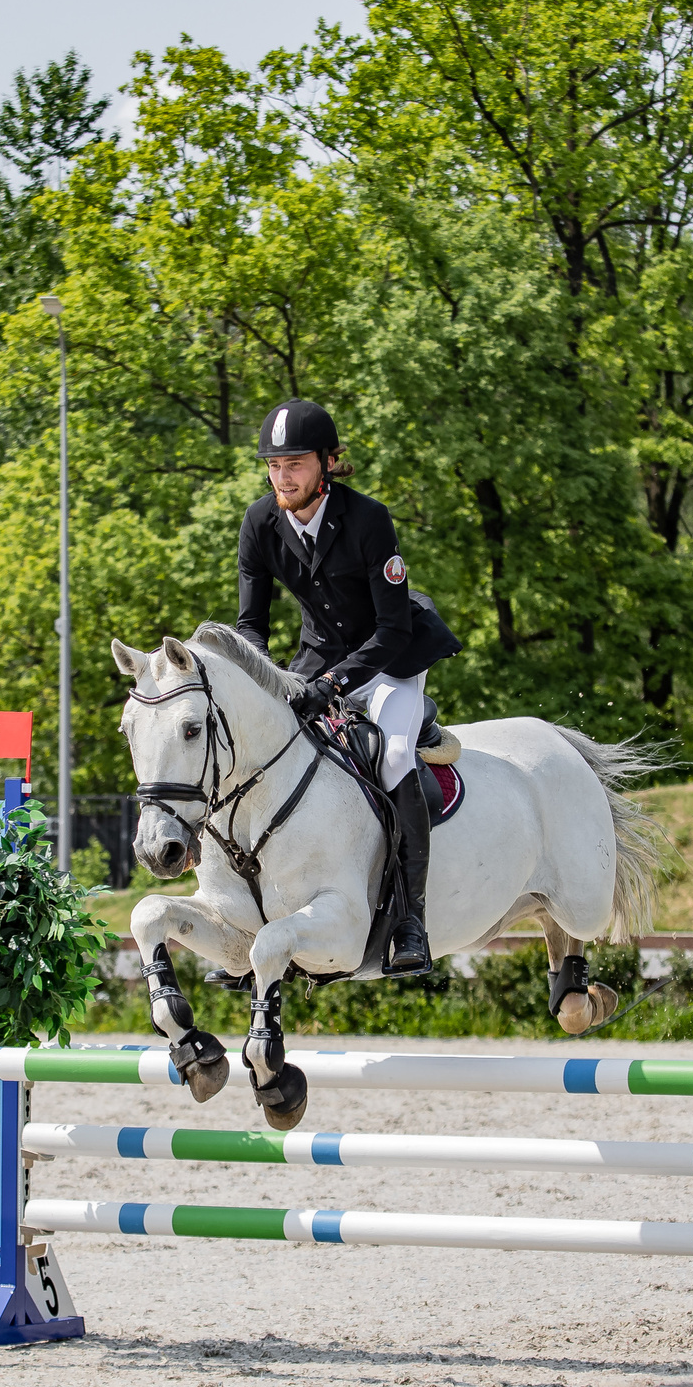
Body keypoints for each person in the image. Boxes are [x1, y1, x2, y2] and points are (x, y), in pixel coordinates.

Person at [237, 399, 462, 975]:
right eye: (273, 464)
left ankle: (412, 919)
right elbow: (251, 627)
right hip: (315, 658)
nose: (281, 475)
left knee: (390, 757)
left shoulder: (368, 520)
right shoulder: (260, 522)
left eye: (295, 463)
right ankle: (250, 918)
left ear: (328, 463)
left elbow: (391, 629)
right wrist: (263, 682)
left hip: (391, 659)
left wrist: (333, 685)